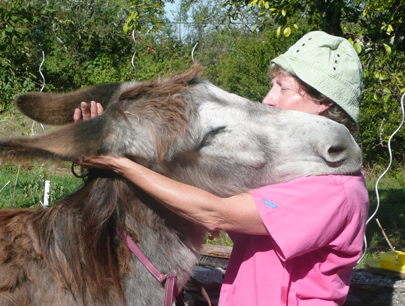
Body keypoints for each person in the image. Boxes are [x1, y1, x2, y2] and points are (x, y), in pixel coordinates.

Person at [74, 31, 369, 306]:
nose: (269, 98)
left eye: (282, 88)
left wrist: (118, 164)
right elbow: (201, 200)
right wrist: (109, 142)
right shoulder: (289, 172)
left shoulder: (332, 187)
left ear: (324, 102)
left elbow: (215, 212)